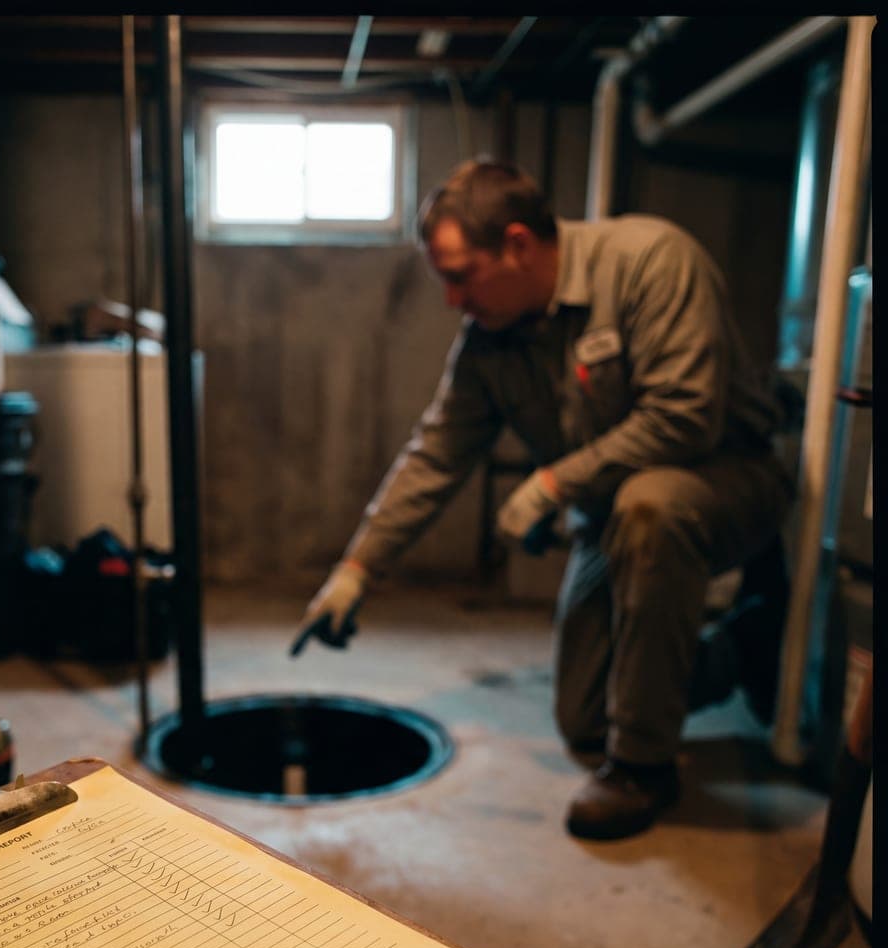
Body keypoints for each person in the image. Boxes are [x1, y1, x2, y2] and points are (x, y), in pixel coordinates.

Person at [291, 157, 794, 841]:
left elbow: (685, 416)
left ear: (519, 245)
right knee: (586, 720)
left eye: (460, 275)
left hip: (726, 480)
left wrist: (553, 484)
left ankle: (641, 771)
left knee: (652, 506)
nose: (451, 300)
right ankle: (746, 645)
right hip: (609, 512)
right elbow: (437, 453)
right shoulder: (490, 340)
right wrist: (356, 572)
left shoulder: (650, 260)